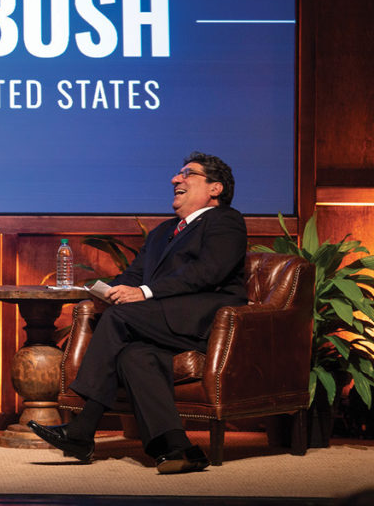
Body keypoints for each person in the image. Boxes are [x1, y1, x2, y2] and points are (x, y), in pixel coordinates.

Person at [27, 151, 247, 474]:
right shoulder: (161, 233)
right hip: (161, 320)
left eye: (187, 173)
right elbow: (133, 276)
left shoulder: (226, 221)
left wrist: (143, 293)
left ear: (215, 189)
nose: (176, 179)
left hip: (203, 321)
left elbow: (206, 273)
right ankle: (176, 448)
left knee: (117, 321)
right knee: (135, 356)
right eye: (177, 174)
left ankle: (82, 430)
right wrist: (106, 291)